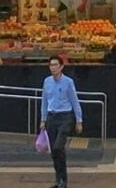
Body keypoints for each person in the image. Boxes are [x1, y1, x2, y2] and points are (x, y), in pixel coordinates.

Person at [40, 55, 83, 188]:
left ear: (61, 67)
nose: (53, 68)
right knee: (53, 150)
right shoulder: (47, 81)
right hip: (52, 117)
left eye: (55, 65)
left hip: (65, 116)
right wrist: (43, 119)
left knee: (59, 146)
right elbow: (44, 101)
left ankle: (63, 179)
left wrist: (79, 120)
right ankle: (58, 179)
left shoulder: (68, 82)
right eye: (51, 65)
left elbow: (74, 101)